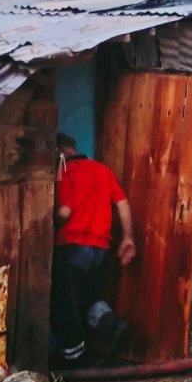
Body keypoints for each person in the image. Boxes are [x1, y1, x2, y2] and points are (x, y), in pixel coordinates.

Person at [51, 132, 136, 368]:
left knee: (63, 303)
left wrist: (46, 224)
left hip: (71, 248)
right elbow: (122, 203)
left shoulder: (64, 171)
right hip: (100, 249)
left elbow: (65, 212)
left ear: (60, 149)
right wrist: (128, 237)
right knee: (89, 298)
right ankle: (112, 326)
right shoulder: (103, 171)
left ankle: (73, 359)